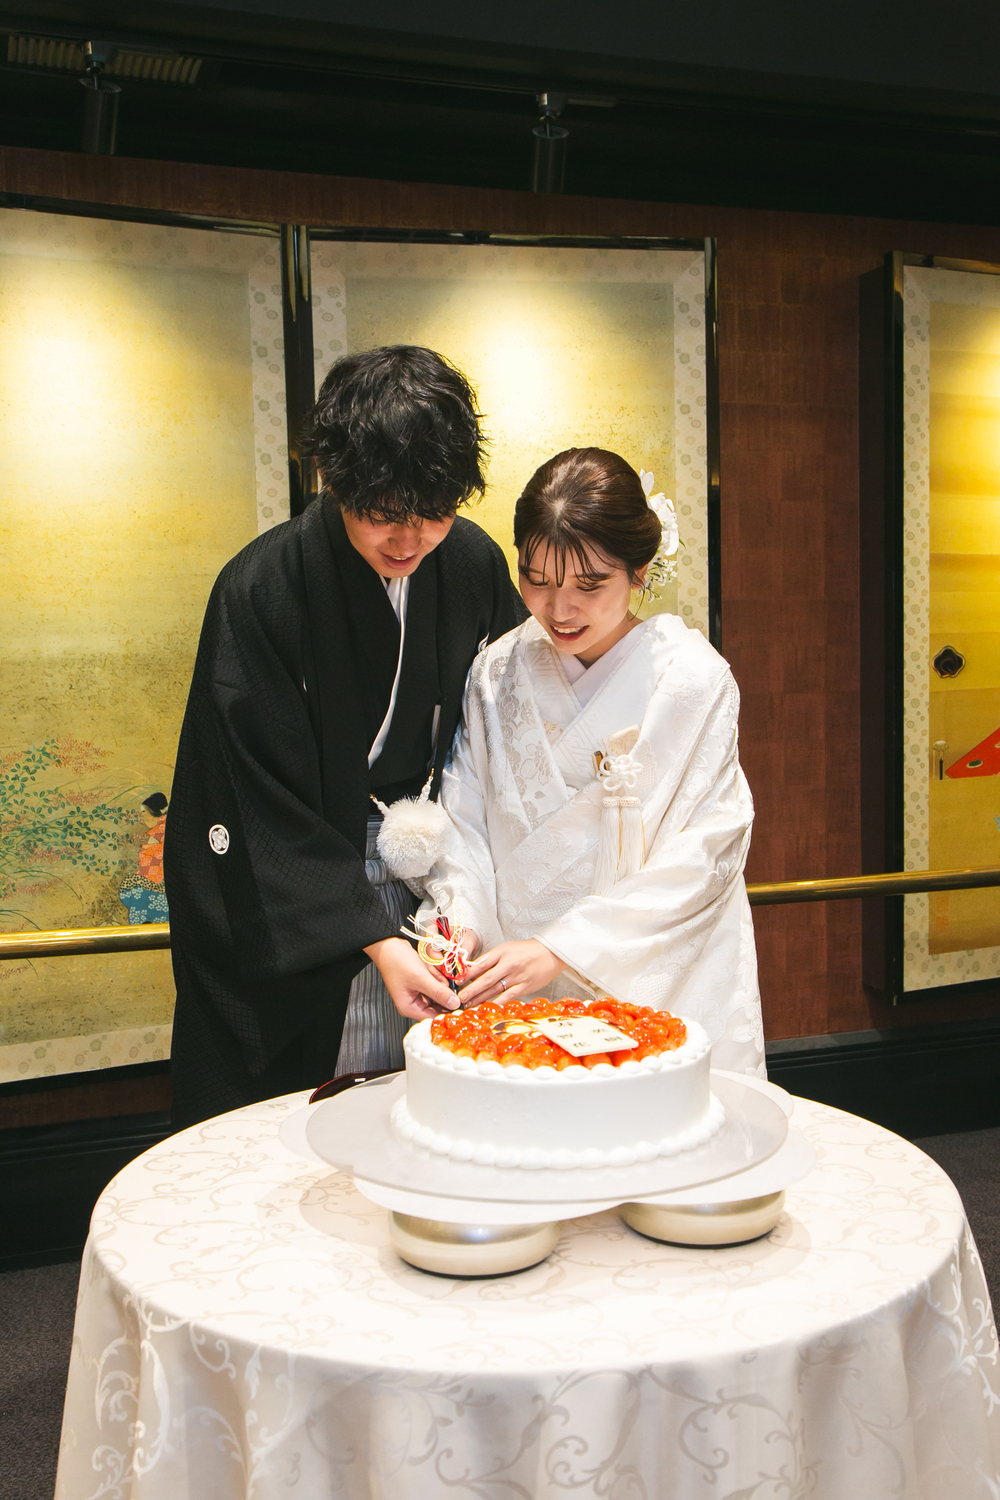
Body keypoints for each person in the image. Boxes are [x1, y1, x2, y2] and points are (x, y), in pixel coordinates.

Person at [164, 346, 527, 1130]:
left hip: (440, 866)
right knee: (309, 1121)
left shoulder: (471, 563)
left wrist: (463, 891)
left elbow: (502, 738)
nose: (409, 539)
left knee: (441, 1110)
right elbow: (249, 790)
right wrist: (376, 940)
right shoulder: (263, 588)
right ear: (333, 480)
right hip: (308, 874)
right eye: (383, 513)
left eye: (434, 512)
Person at [418, 447, 764, 1074]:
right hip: (513, 978)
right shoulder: (497, 670)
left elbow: (709, 850)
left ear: (640, 570)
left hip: (647, 976)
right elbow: (463, 815)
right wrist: (463, 920)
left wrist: (563, 948)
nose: (559, 609)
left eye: (589, 584)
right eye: (537, 580)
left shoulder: (692, 681)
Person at [119, 793, 169, 925]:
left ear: (153, 811)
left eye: (143, 812)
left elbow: (153, 864)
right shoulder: (164, 828)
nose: (142, 815)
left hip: (159, 881)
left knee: (135, 892)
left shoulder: (161, 831)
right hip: (159, 879)